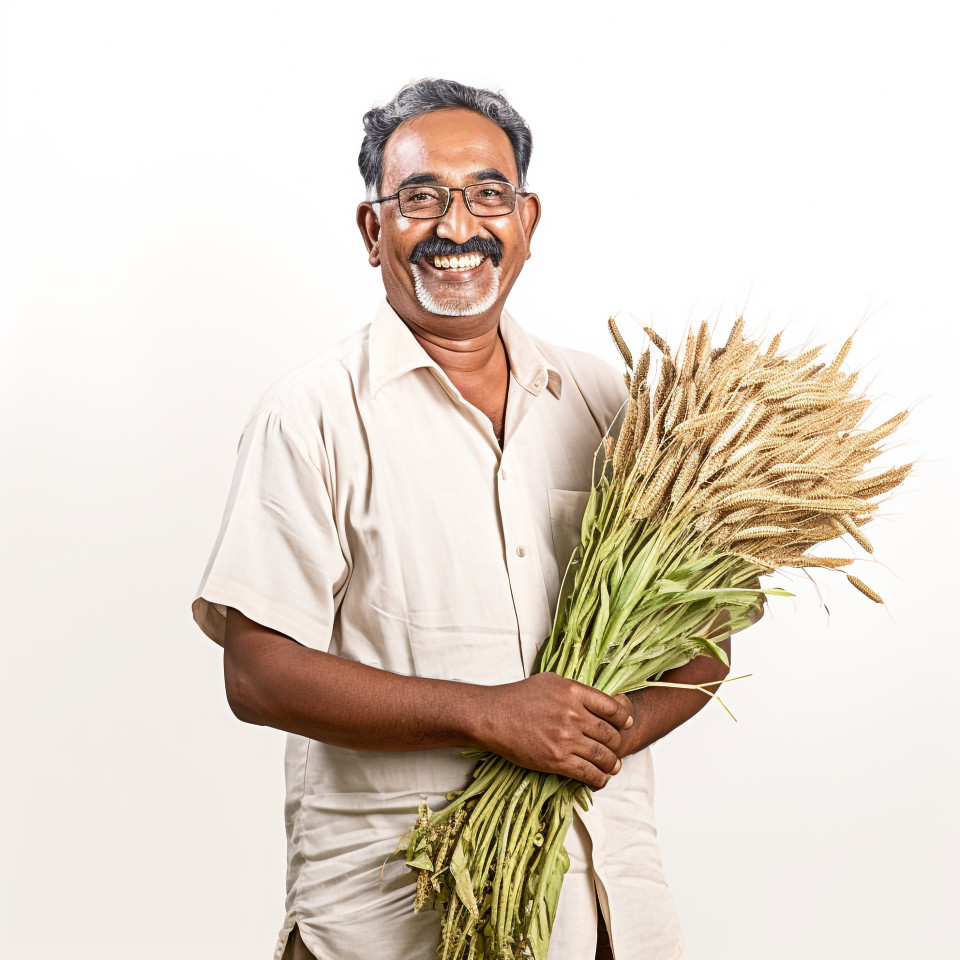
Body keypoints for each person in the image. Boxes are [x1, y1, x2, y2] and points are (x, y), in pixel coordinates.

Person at [193, 79, 731, 960]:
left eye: (486, 193)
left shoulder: (608, 404)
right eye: (420, 198)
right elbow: (256, 674)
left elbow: (705, 639)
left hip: (606, 913)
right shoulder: (316, 413)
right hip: (392, 919)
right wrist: (490, 715)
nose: (456, 226)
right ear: (375, 231)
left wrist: (599, 735)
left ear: (525, 220)